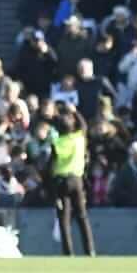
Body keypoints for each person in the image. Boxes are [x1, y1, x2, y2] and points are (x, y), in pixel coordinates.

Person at [47, 102, 97, 255]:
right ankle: (90, 250)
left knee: (64, 220)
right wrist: (75, 112)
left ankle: (68, 252)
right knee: (82, 216)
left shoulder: (57, 143)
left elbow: (51, 165)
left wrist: (52, 188)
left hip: (61, 181)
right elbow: (84, 126)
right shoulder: (79, 139)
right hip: (77, 180)